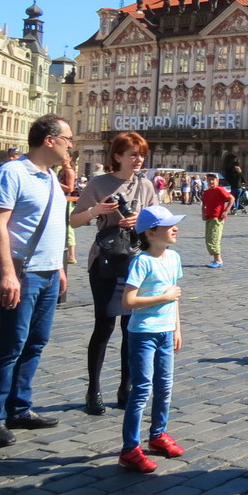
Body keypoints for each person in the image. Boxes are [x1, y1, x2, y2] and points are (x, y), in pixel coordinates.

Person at [0, 114, 72, 447]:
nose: (70, 146)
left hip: (48, 272)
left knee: (35, 343)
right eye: (68, 139)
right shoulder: (13, 172)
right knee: (10, 345)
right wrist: (6, 273)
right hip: (23, 272)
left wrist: (60, 266)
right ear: (50, 140)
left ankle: (20, 406)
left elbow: (53, 226)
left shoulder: (49, 177)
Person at [71, 132, 157, 416]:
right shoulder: (99, 183)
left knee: (130, 328)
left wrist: (141, 220)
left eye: (141, 154)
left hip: (136, 261)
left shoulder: (145, 185)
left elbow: (158, 221)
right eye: (133, 153)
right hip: (107, 261)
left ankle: (126, 387)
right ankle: (93, 389)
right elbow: (74, 220)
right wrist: (96, 210)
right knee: (105, 325)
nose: (138, 159)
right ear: (117, 156)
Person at [118, 206, 186, 473]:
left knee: (165, 387)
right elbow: (128, 301)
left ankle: (158, 434)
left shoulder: (174, 258)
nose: (175, 228)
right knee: (142, 390)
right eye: (169, 225)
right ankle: (130, 449)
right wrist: (163, 298)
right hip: (143, 333)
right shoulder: (142, 261)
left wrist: (177, 329)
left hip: (166, 332)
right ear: (150, 232)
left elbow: (176, 297)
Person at [201, 173, 234, 267]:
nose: (211, 182)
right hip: (209, 217)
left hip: (217, 217)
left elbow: (231, 198)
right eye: (209, 180)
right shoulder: (207, 192)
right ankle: (216, 259)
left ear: (217, 181)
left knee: (214, 238)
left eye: (213, 180)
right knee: (208, 238)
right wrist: (203, 213)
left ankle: (218, 260)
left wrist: (226, 211)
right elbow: (204, 204)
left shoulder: (219, 189)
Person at [58, 152, 78, 264]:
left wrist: (55, 182)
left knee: (69, 227)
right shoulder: (61, 171)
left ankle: (71, 255)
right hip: (60, 200)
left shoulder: (69, 171)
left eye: (65, 157)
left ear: (70, 158)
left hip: (67, 201)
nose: (62, 160)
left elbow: (70, 188)